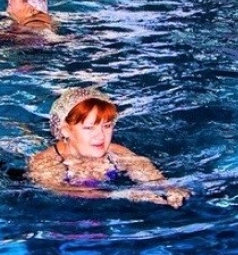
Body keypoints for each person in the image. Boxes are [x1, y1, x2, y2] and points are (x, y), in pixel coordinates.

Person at [27, 87, 191, 208]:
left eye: (106, 126)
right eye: (89, 128)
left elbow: (152, 178)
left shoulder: (118, 153)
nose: (100, 136)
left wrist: (170, 189)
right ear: (65, 130)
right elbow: (60, 190)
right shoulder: (46, 162)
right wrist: (121, 194)